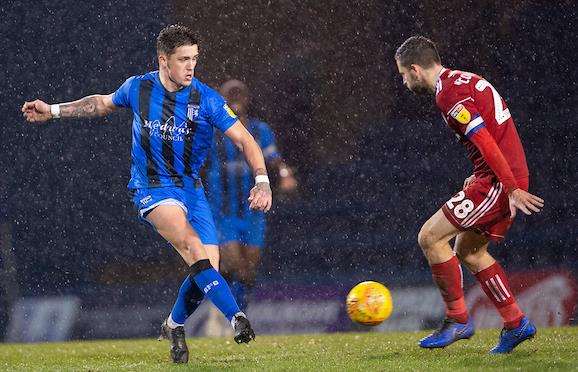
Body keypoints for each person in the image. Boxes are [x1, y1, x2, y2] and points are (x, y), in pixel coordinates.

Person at [21, 24, 272, 364]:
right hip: (152, 187)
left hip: (190, 189)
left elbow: (245, 140)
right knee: (191, 246)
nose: (190, 67)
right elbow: (101, 104)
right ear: (163, 60)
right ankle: (236, 318)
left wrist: (262, 180)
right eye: (183, 60)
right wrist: (52, 110)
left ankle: (173, 324)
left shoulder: (206, 99)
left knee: (207, 268)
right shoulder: (138, 88)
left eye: (195, 59)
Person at [394, 36, 544, 354]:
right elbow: (488, 137)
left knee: (430, 238)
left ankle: (457, 319)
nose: (404, 81)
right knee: (471, 251)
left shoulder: (449, 94)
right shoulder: (461, 80)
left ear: (415, 69)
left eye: (403, 75)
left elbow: (486, 141)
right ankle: (516, 323)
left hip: (499, 180)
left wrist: (510, 186)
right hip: (497, 175)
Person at [204, 79, 297, 313]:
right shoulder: (212, 132)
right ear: (221, 100)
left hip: (253, 210)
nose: (236, 98)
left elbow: (274, 158)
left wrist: (285, 175)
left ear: (247, 99)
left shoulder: (259, 130)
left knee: (248, 268)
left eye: (240, 93)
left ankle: (239, 313)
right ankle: (228, 311)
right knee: (233, 260)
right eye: (230, 94)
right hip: (224, 210)